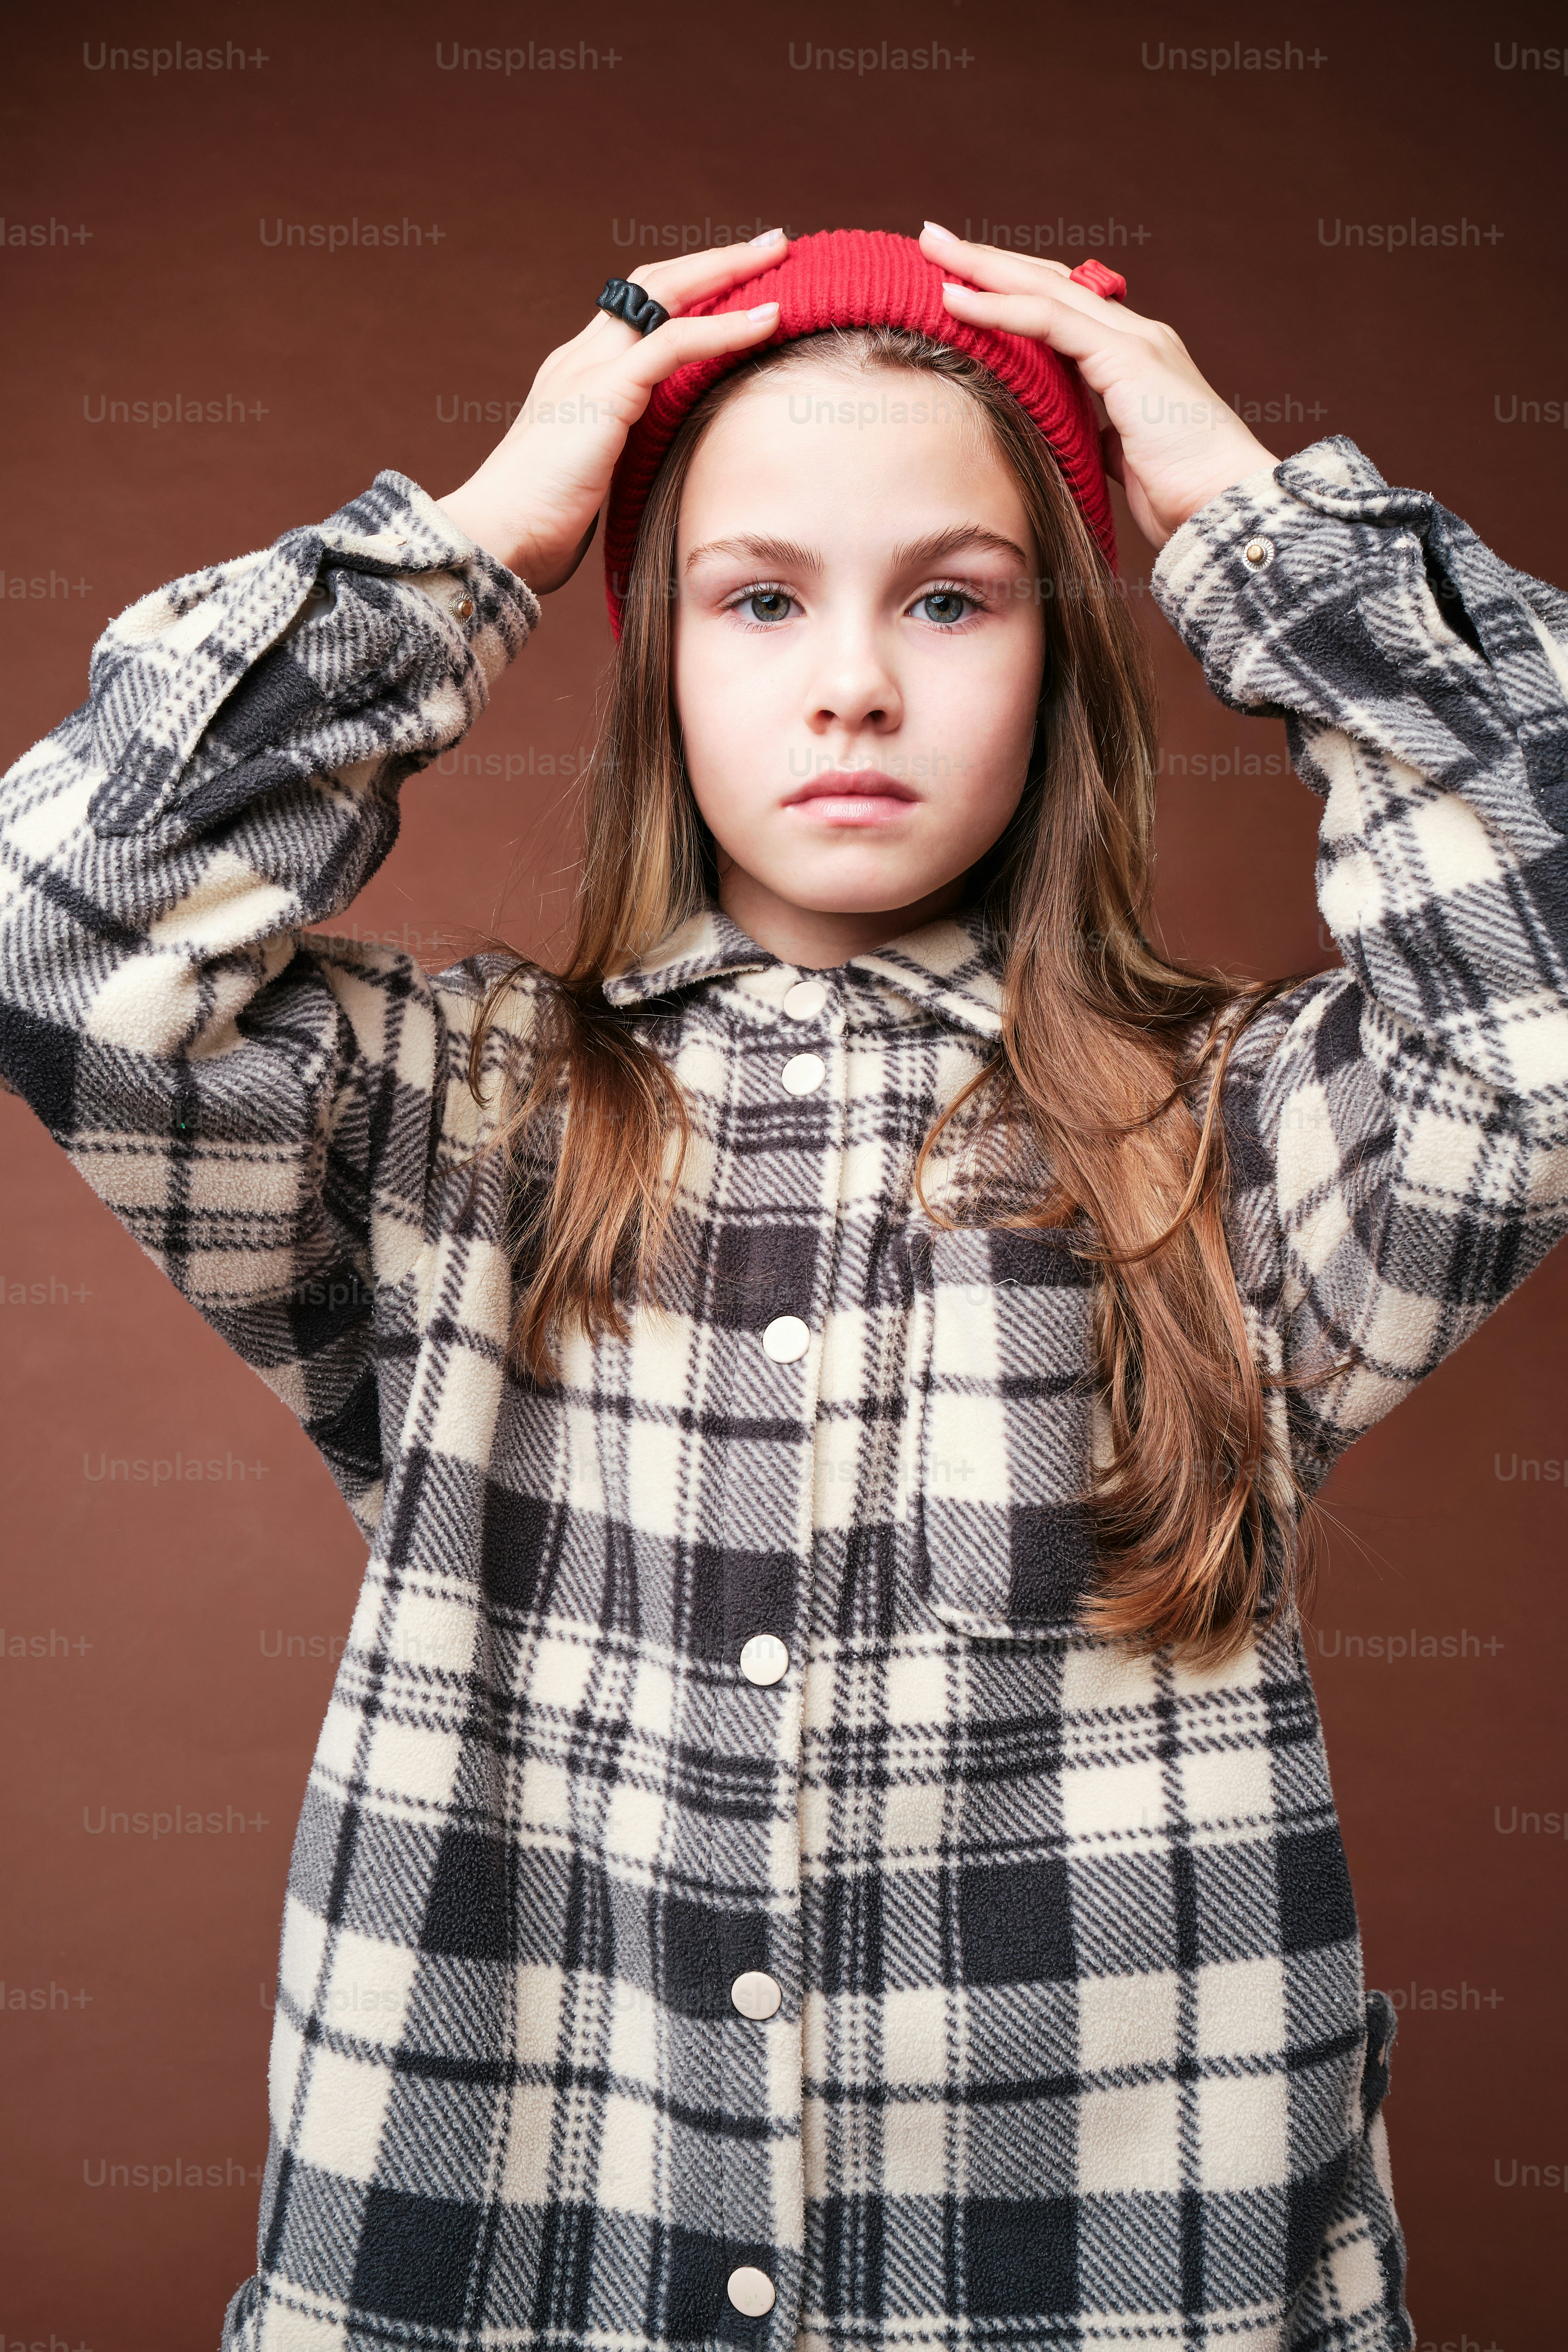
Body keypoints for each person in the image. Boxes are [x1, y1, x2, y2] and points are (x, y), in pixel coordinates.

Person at [3, 222, 1564, 2352]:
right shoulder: (452, 1117)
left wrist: (1266, 535)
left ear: (1062, 657)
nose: (854, 680)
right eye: (757, 599)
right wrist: (481, 545)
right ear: (654, 659)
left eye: (951, 596)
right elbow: (62, 935)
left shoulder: (1241, 1136)